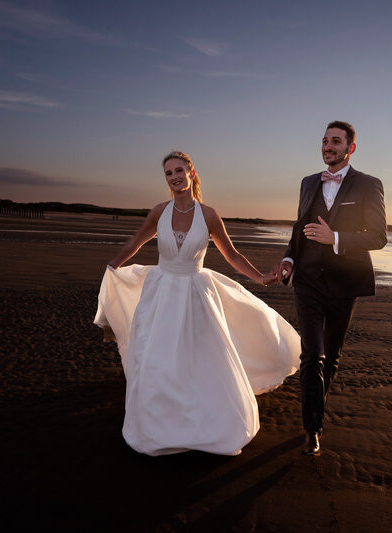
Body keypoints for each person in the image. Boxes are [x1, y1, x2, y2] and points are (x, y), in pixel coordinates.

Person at [94, 151, 300, 456]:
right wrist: (112, 266)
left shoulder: (209, 215)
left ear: (192, 173)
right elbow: (134, 244)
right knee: (156, 358)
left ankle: (206, 424)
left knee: (199, 358)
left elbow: (231, 255)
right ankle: (157, 425)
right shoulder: (158, 212)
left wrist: (259, 277)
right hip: (160, 292)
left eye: (179, 170)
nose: (174, 177)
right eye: (168, 173)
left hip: (195, 294)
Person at [270, 121, 387, 456]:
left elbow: (378, 236)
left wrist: (335, 238)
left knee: (331, 357)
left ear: (350, 148)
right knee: (312, 355)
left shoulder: (368, 185)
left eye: (335, 141)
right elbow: (298, 227)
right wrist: (289, 259)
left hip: (344, 281)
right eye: (324, 140)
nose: (328, 146)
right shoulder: (308, 183)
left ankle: (315, 409)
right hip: (307, 280)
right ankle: (313, 429)